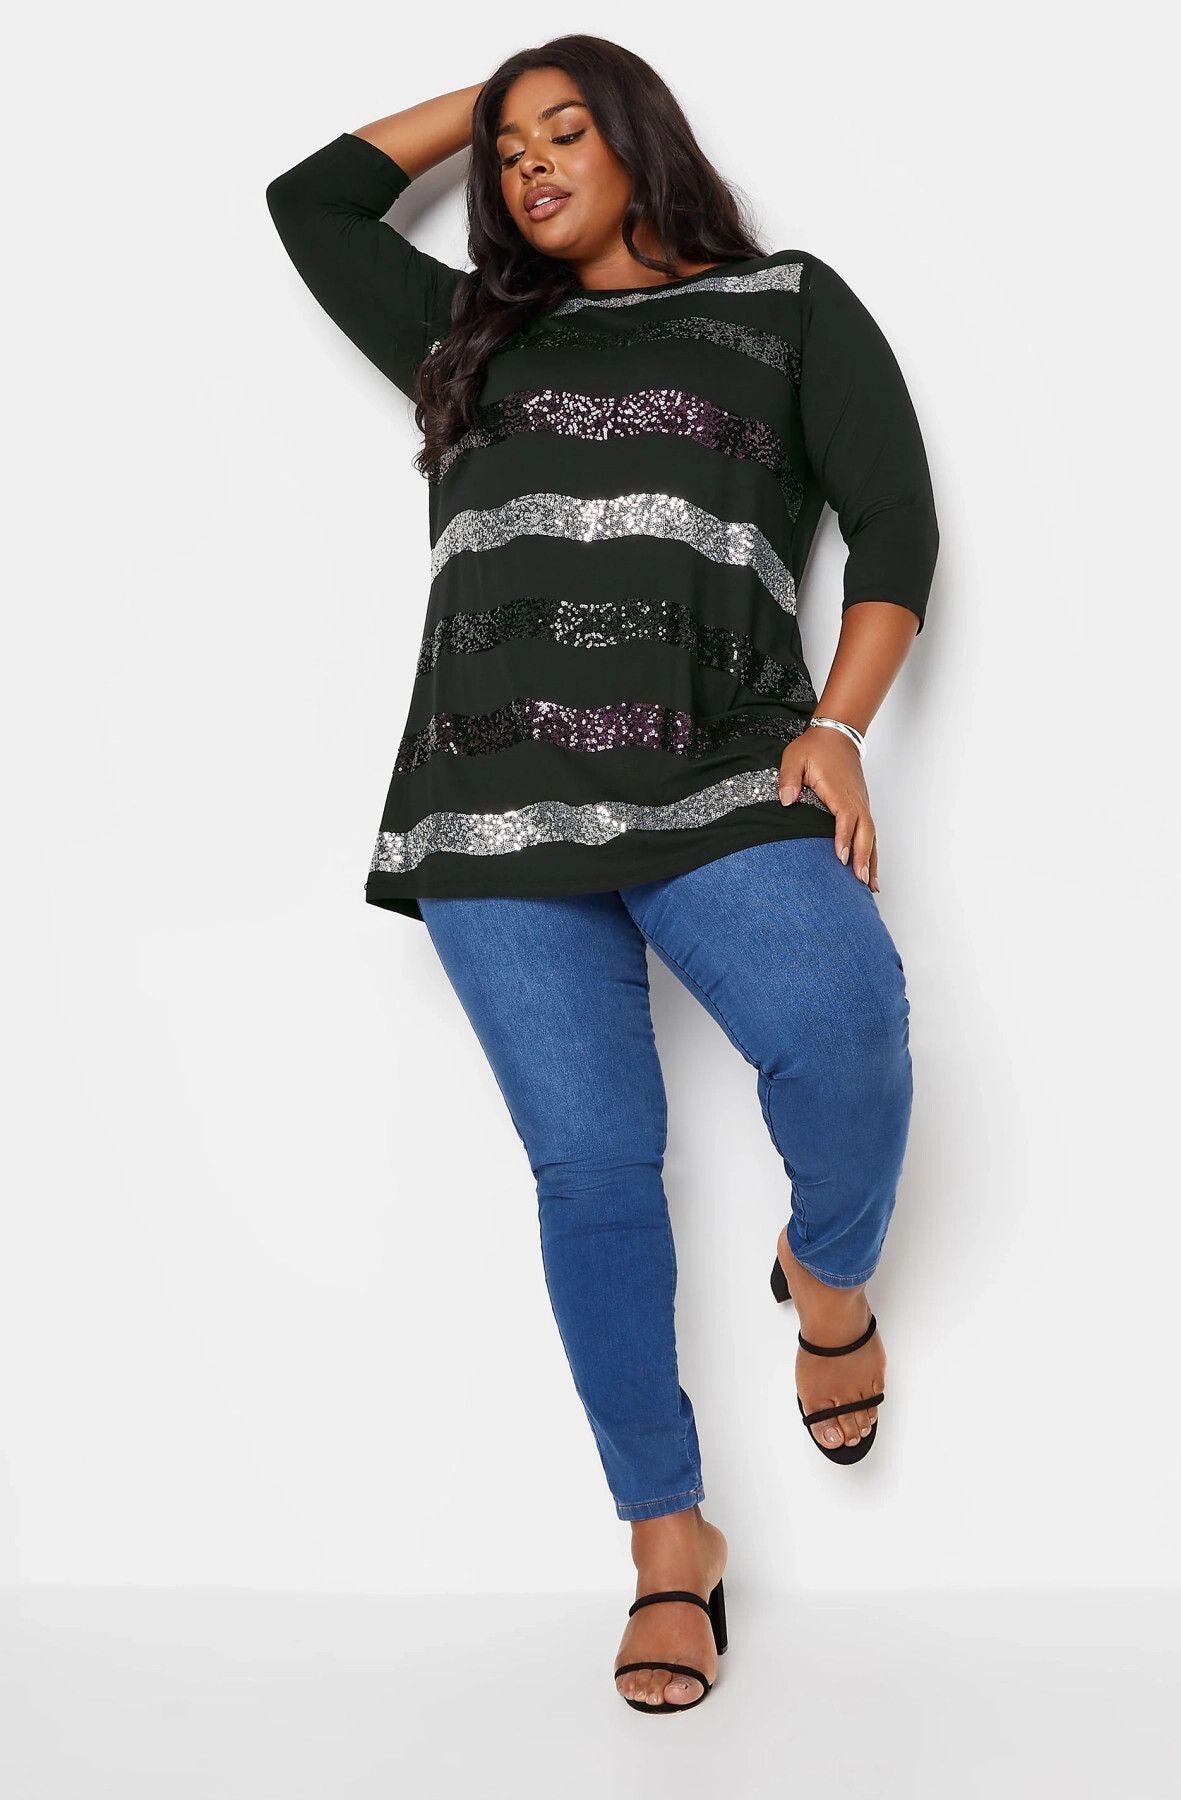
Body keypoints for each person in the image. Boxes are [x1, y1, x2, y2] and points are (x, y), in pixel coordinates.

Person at [265, 32, 939, 1716]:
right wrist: (498, 86)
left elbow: (897, 526)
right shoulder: (471, 332)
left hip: (723, 772)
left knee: (844, 1025)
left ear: (644, 138)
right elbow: (313, 202)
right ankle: (667, 1541)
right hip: (492, 809)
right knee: (591, 1177)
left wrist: (840, 728)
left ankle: (830, 1281)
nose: (530, 163)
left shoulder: (784, 305)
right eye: (510, 153)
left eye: (569, 129)